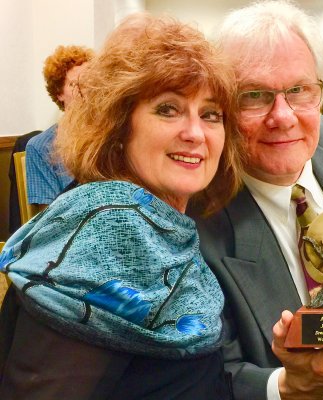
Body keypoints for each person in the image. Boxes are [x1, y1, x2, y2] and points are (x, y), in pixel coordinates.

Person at [0, 13, 243, 399]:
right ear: (118, 126)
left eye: (210, 114)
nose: (196, 133)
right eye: (168, 109)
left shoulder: (162, 225)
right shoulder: (106, 235)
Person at [190, 1, 323, 399]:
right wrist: (290, 387)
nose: (283, 116)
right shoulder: (193, 217)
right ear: (221, 104)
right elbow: (209, 376)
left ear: (321, 91)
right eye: (254, 95)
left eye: (299, 90)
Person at [25, 45, 94, 211]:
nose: (84, 91)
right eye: (74, 85)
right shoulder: (40, 147)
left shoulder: (109, 136)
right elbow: (50, 220)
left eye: (89, 83)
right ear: (59, 93)